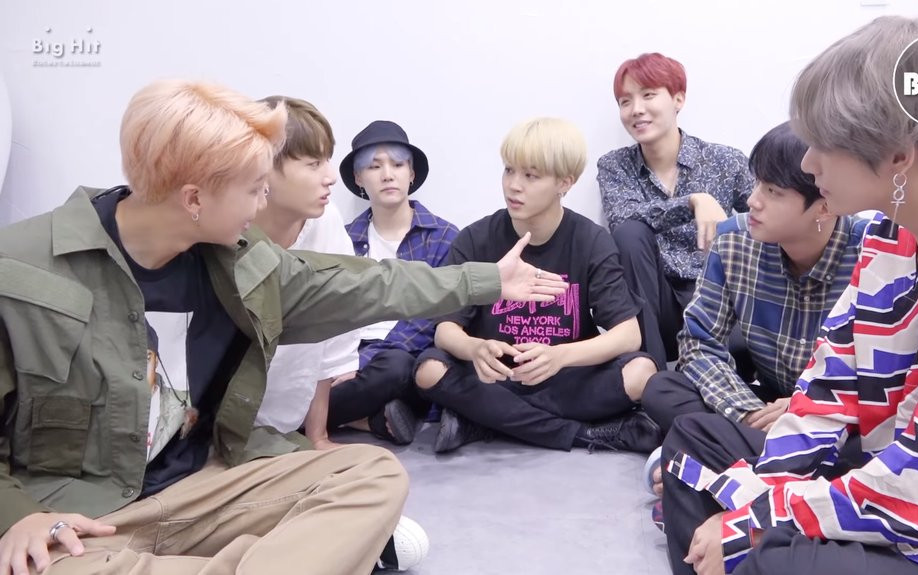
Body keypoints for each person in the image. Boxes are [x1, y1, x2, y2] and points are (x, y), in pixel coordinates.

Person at [0, 79, 566, 575]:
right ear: (194, 198)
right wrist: (16, 516)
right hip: (78, 521)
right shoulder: (18, 268)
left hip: (200, 489)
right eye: (254, 188)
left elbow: (365, 285)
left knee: (372, 473)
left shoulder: (240, 262)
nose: (263, 201)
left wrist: (486, 280)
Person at [660, 16, 918, 575]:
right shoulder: (887, 236)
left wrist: (756, 519)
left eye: (823, 145)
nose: (808, 164)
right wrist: (761, 504)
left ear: (898, 155)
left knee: (780, 560)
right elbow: (825, 394)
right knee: (693, 441)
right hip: (885, 481)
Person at [641, 121, 867, 498]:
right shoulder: (734, 239)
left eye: (773, 191)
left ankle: (712, 462)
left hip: (832, 412)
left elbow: (884, 376)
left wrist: (805, 409)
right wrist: (745, 412)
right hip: (763, 408)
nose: (753, 201)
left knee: (875, 445)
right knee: (663, 387)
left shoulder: (870, 252)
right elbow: (698, 343)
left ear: (825, 205)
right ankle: (782, 470)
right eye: (758, 183)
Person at [249, 97, 428, 571]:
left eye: (397, 164)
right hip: (234, 428)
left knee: (412, 377)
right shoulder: (230, 231)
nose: (329, 176)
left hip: (336, 385)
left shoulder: (328, 224)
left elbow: (334, 330)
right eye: (314, 164)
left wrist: (318, 434)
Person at [414, 117, 661, 454]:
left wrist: (559, 356)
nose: (513, 186)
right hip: (495, 377)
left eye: (530, 176)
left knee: (641, 372)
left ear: (565, 183)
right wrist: (475, 349)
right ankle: (584, 435)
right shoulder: (475, 238)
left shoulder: (591, 240)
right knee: (428, 370)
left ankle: (485, 420)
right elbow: (446, 330)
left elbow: (628, 335)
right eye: (509, 170)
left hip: (563, 377)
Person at [597, 52, 754, 368]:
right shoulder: (615, 165)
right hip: (657, 306)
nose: (636, 109)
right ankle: (649, 371)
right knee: (629, 233)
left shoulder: (726, 161)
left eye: (648, 95)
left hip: (718, 299)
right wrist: (692, 202)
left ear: (678, 99)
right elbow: (620, 219)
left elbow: (767, 217)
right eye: (625, 101)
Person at [328, 120, 460, 445]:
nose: (387, 175)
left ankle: (295, 421)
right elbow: (330, 311)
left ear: (411, 173)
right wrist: (339, 362)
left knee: (397, 368)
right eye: (374, 167)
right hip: (348, 354)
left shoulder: (443, 237)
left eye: (398, 165)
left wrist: (361, 364)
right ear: (359, 178)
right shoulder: (342, 239)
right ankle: (372, 421)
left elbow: (433, 317)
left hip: (402, 358)